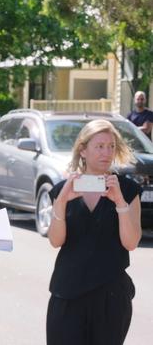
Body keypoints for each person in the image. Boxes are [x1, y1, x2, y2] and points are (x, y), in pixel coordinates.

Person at [46, 119, 141, 345]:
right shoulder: (63, 189)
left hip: (111, 294)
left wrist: (119, 202)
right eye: (99, 146)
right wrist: (60, 204)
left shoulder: (127, 189)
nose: (106, 153)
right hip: (67, 292)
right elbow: (56, 240)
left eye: (111, 147)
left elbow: (131, 242)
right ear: (83, 150)